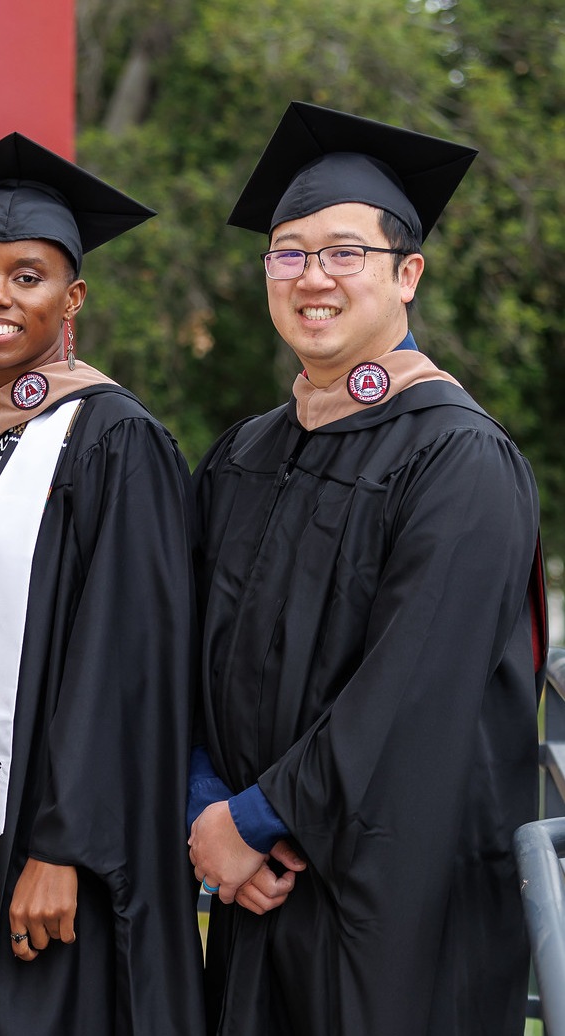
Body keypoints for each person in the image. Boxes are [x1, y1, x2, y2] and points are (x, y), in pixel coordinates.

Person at [187, 101, 548, 1036]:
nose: (313, 278)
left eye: (344, 252)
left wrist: (254, 821)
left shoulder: (459, 458)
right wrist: (203, 808)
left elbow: (412, 691)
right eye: (289, 252)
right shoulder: (244, 454)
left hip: (396, 904)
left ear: (408, 275)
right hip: (252, 900)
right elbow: (178, 649)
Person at [0, 133, 204, 1035]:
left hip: (49, 845)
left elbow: (127, 655)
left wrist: (64, 846)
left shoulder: (116, 439)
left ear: (71, 299)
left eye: (26, 276)